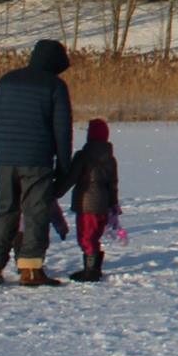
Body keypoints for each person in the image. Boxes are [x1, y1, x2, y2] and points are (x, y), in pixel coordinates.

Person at [0, 39, 75, 287]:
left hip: (5, 158)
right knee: (35, 212)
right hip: (36, 159)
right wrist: (63, 164)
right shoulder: (55, 86)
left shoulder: (7, 80)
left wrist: (0, 152)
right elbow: (62, 129)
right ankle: (31, 270)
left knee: (6, 209)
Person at [67, 118, 119, 282]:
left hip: (86, 203)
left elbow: (71, 178)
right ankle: (94, 267)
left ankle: (91, 270)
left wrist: (54, 192)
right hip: (102, 204)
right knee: (94, 235)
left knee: (86, 236)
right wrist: (113, 204)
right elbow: (113, 184)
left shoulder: (83, 156)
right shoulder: (110, 159)